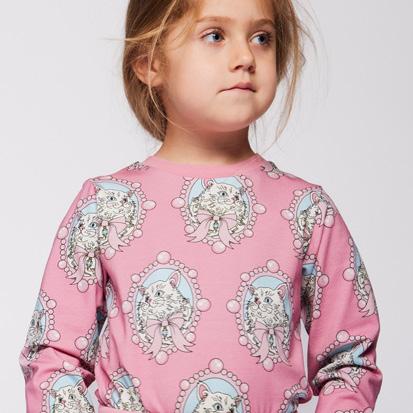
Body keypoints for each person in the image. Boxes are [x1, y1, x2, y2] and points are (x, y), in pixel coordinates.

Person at [18, 0, 383, 412]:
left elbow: (350, 360)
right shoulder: (104, 206)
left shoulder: (308, 210)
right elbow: (53, 359)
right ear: (150, 63)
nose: (246, 57)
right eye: (215, 35)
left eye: (262, 38)